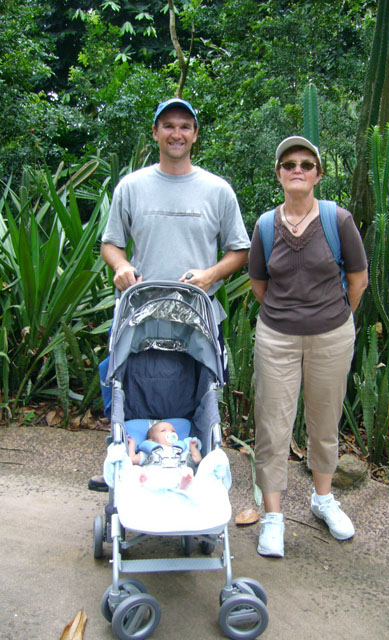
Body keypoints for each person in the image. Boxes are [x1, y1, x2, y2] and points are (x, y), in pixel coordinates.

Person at [89, 97, 250, 491]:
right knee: (122, 384)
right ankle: (122, 460)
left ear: (195, 135)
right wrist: (121, 266)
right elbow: (109, 243)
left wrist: (210, 273)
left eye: (184, 126)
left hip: (197, 320)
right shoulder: (132, 187)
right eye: (168, 126)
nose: (176, 134)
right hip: (139, 316)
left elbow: (240, 251)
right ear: (156, 133)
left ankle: (197, 467)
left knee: (200, 393)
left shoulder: (218, 191)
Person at [248, 136, 368, 557]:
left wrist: (332, 318)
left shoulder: (338, 220)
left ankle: (322, 499)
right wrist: (290, 317)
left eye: (305, 163)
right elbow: (259, 283)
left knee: (324, 422)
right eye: (288, 163)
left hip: (332, 336)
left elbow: (358, 280)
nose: (297, 169)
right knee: (272, 426)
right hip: (276, 337)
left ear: (317, 173)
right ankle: (273, 516)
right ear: (278, 174)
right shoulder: (266, 225)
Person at [128, 420, 202, 490]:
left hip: (175, 477)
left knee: (188, 470)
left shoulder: (180, 451)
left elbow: (197, 459)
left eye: (173, 431)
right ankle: (142, 480)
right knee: (135, 469)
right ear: (151, 440)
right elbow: (133, 459)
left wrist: (193, 448)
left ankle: (184, 483)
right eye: (163, 430)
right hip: (153, 476)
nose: (170, 432)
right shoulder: (150, 452)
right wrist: (132, 444)